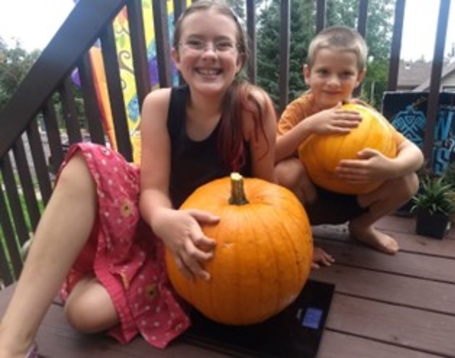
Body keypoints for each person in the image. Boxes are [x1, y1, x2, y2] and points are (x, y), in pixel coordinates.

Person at [0, 1, 278, 357]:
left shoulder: (253, 107)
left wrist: (295, 238)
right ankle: (13, 346)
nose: (209, 53)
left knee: (83, 315)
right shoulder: (159, 105)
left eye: (223, 44)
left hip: (206, 244)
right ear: (177, 56)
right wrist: (164, 219)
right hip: (155, 222)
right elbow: (153, 190)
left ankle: (53, 254)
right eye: (196, 43)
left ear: (238, 60)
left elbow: (270, 193)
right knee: (88, 160)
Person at [274, 26, 424, 267]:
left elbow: (415, 154)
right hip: (311, 204)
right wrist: (308, 126)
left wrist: (389, 167)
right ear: (307, 74)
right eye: (323, 72)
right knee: (285, 171)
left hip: (356, 199)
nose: (333, 82)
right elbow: (271, 155)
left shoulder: (364, 113)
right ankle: (299, 239)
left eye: (345, 74)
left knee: (408, 180)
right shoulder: (300, 111)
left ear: (359, 78)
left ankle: (362, 227)